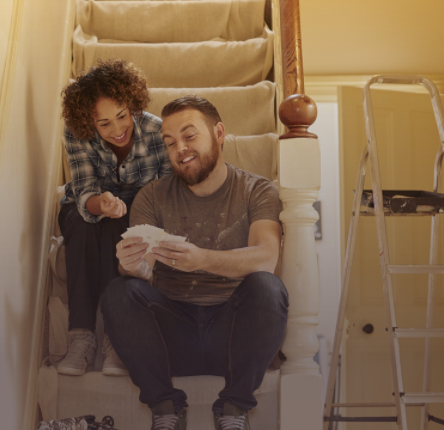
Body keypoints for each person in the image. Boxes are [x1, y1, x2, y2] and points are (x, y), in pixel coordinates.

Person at [101, 96, 288, 429]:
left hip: (233, 335)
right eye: (170, 143)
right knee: (120, 289)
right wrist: (131, 265)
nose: (180, 149)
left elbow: (267, 256)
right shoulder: (152, 195)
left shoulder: (257, 190)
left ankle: (233, 408)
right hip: (172, 334)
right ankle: (165, 407)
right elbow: (143, 270)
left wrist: (202, 259)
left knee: (268, 286)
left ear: (218, 133)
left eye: (189, 136)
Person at [57, 59, 172, 377]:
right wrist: (102, 204)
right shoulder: (75, 133)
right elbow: (83, 193)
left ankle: (115, 338)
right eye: (104, 123)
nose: (117, 129)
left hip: (139, 209)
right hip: (88, 206)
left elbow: (164, 196)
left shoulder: (157, 131)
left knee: (120, 229)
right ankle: (80, 337)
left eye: (122, 116)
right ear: (88, 123)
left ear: (132, 104)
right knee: (83, 224)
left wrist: (129, 212)